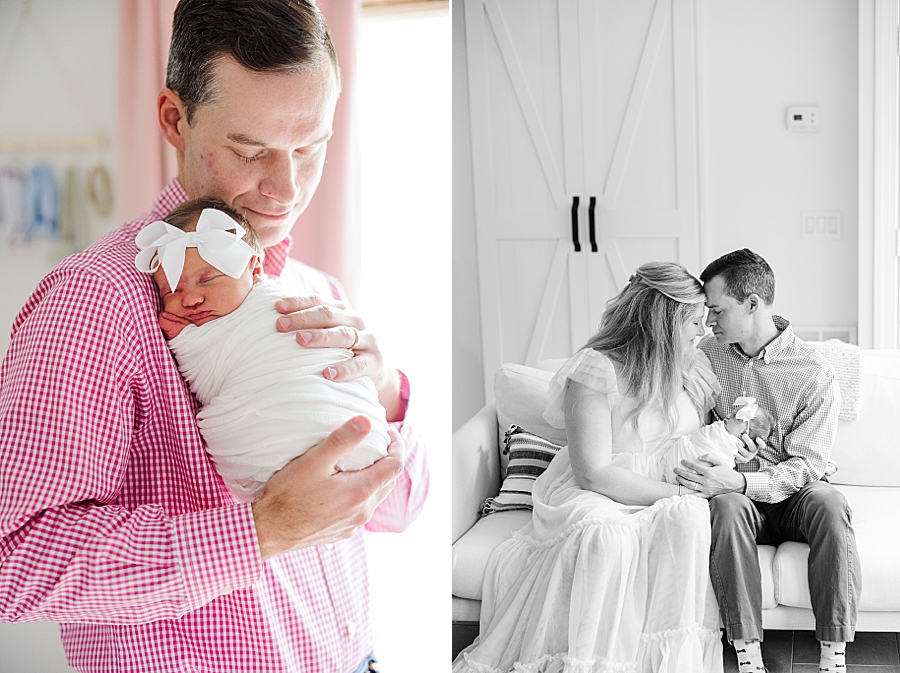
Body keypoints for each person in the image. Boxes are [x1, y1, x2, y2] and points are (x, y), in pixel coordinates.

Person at [0, 2, 428, 672]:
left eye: (311, 147)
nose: (286, 188)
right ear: (174, 119)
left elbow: (399, 507)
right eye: (252, 150)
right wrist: (257, 534)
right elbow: (11, 561)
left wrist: (387, 390)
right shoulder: (91, 306)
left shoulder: (318, 290)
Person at [454, 262, 725, 673]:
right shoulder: (597, 367)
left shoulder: (690, 366)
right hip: (596, 489)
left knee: (688, 518)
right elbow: (593, 472)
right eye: (693, 320)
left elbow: (705, 434)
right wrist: (679, 493)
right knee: (607, 534)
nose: (701, 331)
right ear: (665, 320)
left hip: (665, 480)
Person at [674, 249, 860, 673]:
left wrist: (745, 481)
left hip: (794, 497)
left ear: (753, 303)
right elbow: (690, 431)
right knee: (725, 504)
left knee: (830, 503)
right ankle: (748, 656)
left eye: (717, 310)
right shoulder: (705, 357)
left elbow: (808, 464)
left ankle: (834, 657)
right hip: (736, 501)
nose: (709, 322)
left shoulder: (813, 371)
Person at [137, 198, 391, 503]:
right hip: (266, 457)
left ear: (255, 269)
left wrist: (386, 382)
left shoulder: (305, 296)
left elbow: (402, 505)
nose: (190, 299)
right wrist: (189, 345)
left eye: (208, 279)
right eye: (172, 290)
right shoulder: (103, 287)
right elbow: (210, 373)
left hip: (355, 433)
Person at [656, 396, 774, 485]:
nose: (727, 415)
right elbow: (700, 435)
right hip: (688, 455)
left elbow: (707, 438)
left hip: (701, 466)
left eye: (734, 416)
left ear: (743, 434)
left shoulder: (725, 438)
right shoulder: (721, 429)